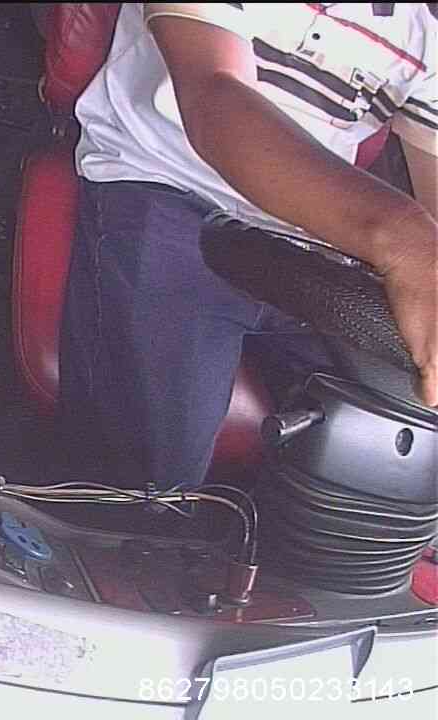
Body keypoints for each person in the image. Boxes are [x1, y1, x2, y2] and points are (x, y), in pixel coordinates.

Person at [59, 3, 437, 491]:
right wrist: (405, 240)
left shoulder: (423, 28)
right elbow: (215, 99)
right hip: (166, 182)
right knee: (150, 475)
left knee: (392, 444)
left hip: (307, 229)